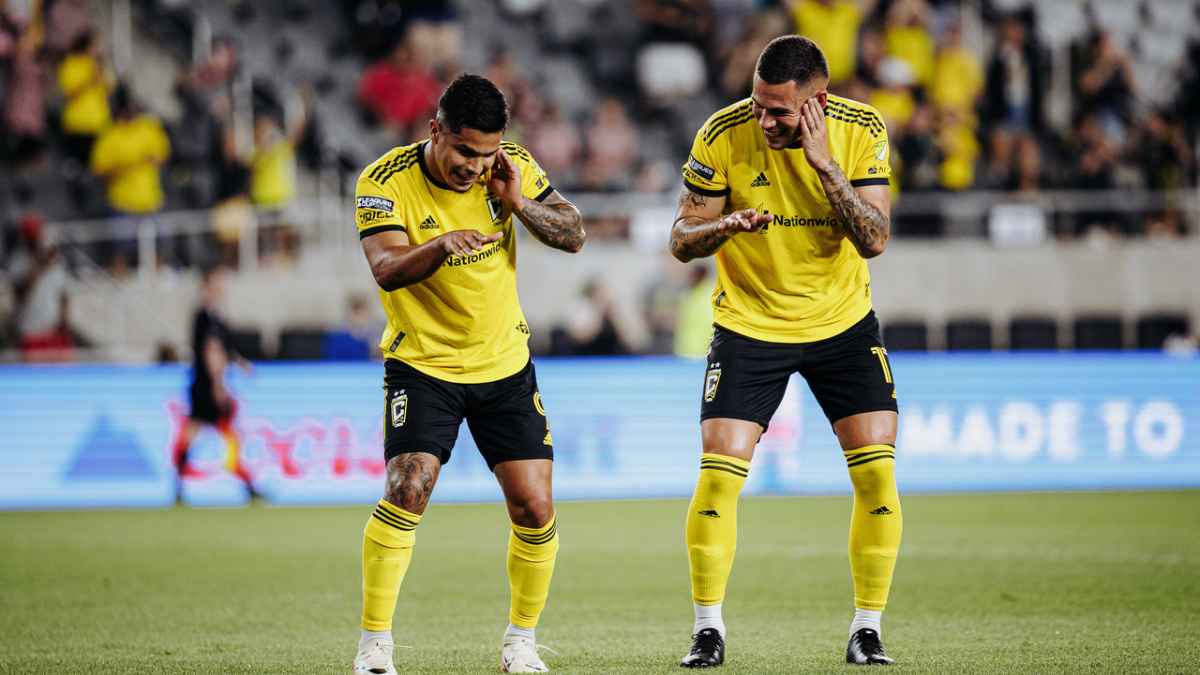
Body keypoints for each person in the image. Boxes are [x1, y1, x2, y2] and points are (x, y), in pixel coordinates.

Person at [671, 35, 902, 667]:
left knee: (876, 471)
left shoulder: (860, 130)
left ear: (817, 102)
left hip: (841, 324)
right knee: (718, 471)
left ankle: (867, 627)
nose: (764, 120)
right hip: (751, 323)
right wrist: (723, 226)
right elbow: (681, 239)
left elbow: (875, 238)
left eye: (779, 111)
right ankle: (707, 628)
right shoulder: (721, 133)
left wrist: (825, 164)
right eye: (758, 105)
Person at [351, 74, 585, 674]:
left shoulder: (510, 168)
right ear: (437, 130)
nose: (475, 168)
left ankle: (520, 643)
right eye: (464, 152)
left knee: (535, 508)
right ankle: (375, 645)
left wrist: (518, 203)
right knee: (408, 487)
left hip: (504, 365)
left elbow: (573, 233)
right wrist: (441, 245)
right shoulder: (383, 183)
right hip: (423, 364)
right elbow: (385, 268)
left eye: (486, 155)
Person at [170, 266, 255, 500]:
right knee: (224, 434)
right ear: (208, 286)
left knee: (197, 433)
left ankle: (178, 484)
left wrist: (239, 363)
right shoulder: (205, 317)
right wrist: (218, 385)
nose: (223, 286)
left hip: (203, 383)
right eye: (218, 282)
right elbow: (212, 351)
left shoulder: (212, 316)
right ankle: (246, 482)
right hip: (206, 385)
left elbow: (222, 349)